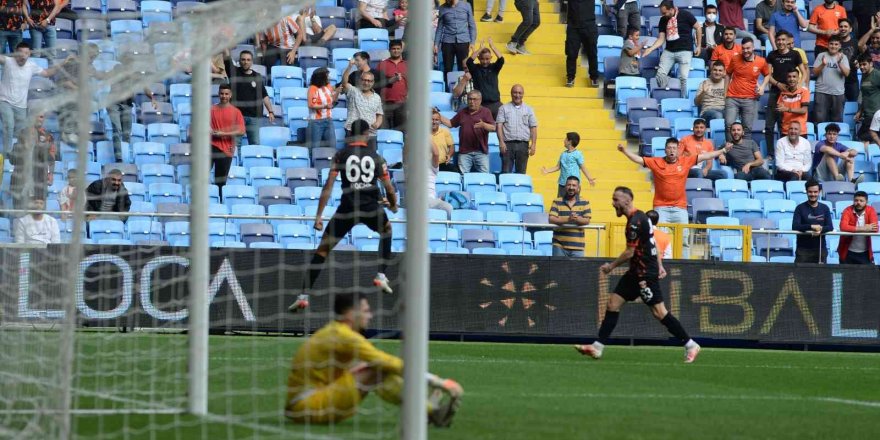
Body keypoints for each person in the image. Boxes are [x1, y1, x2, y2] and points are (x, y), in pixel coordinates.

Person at [284, 292, 463, 426]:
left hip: (306, 404)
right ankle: (430, 411)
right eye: (366, 311)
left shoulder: (335, 332)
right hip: (306, 406)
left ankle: (425, 411)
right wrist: (437, 381)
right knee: (377, 368)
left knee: (370, 367)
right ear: (350, 314)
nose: (370, 315)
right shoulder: (344, 336)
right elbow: (385, 362)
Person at [574, 186, 701, 363]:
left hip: (644, 274)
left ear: (627, 200)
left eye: (615, 200)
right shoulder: (642, 216)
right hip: (635, 273)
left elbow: (629, 252)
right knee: (612, 304)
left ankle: (690, 344)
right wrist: (660, 264)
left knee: (659, 312)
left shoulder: (634, 222)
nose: (613, 203)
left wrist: (610, 267)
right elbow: (652, 244)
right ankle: (597, 347)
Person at [288, 120, 398, 312]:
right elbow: (389, 188)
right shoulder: (376, 157)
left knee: (322, 251)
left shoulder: (340, 155)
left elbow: (328, 186)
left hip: (347, 208)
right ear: (366, 134)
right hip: (370, 207)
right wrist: (394, 205)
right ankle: (380, 275)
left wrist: (318, 216)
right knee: (387, 230)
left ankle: (303, 296)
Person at [618, 139, 732, 249]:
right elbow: (638, 159)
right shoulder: (656, 162)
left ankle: (685, 267)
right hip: (661, 207)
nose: (671, 150)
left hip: (680, 208)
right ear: (665, 150)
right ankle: (662, 266)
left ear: (678, 150)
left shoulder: (686, 161)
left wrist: (723, 151)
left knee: (684, 241)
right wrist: (624, 151)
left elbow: (706, 156)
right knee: (661, 240)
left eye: (674, 148)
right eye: (669, 148)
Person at [0, 42, 64, 154]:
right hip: (5, 101)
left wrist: (62, 64)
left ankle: (17, 158)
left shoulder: (31, 65)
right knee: (9, 125)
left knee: (20, 132)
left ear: (29, 54)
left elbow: (47, 73)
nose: (23, 55)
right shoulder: (8, 61)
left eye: (26, 53)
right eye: (20, 52)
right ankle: (6, 156)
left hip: (21, 106)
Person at [106, 54, 158, 162]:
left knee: (126, 133)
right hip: (114, 103)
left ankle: (125, 156)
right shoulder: (117, 69)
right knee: (117, 130)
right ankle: (119, 158)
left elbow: (145, 88)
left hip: (127, 105)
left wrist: (152, 98)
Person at [642, 0, 701, 96]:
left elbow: (698, 27)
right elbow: (661, 39)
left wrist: (698, 46)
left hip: (685, 50)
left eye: (664, 13)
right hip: (669, 50)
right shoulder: (663, 20)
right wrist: (650, 49)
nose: (663, 15)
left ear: (672, 9)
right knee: (660, 76)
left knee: (683, 78)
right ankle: (670, 92)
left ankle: (681, 101)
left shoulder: (686, 15)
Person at [764, 30, 806, 159]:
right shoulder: (772, 55)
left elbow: (804, 73)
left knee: (785, 124)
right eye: (778, 40)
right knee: (769, 125)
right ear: (775, 41)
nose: (781, 42)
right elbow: (767, 74)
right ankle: (771, 154)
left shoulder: (795, 54)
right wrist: (777, 84)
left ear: (788, 41)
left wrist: (799, 86)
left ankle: (786, 152)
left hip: (790, 93)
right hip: (775, 91)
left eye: (783, 40)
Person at [436, 90, 495, 173]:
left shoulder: (486, 112)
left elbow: (493, 128)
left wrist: (484, 125)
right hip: (465, 152)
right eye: (469, 99)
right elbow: (450, 123)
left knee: (484, 177)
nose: (471, 102)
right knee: (463, 177)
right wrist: (437, 114)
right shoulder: (462, 112)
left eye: (474, 99)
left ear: (480, 100)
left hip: (481, 152)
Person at [724, 37, 770, 142]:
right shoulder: (735, 59)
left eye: (748, 48)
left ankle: (744, 151)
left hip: (750, 98)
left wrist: (762, 86)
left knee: (747, 128)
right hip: (732, 97)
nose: (745, 51)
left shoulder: (761, 61)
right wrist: (725, 92)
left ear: (753, 47)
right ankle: (730, 150)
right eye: (743, 48)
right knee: (728, 125)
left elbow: (767, 75)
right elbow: (727, 74)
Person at [226, 50, 275, 146]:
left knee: (255, 144)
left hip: (254, 116)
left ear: (252, 61)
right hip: (237, 116)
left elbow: (264, 95)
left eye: (248, 60)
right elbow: (227, 58)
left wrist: (270, 111)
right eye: (243, 59)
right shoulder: (234, 72)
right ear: (239, 61)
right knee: (236, 145)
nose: (245, 62)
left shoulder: (257, 76)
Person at [9, 111, 56, 209]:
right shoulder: (18, 145)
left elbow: (51, 159)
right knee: (19, 213)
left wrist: (50, 174)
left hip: (39, 181)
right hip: (20, 182)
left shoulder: (48, 137)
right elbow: (12, 160)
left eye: (41, 117)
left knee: (37, 214)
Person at [210, 84, 246, 190]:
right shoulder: (211, 110)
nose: (224, 96)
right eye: (222, 93)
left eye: (226, 94)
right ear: (218, 94)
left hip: (226, 150)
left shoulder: (236, 112)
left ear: (230, 95)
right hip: (211, 146)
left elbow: (241, 131)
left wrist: (223, 134)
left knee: (220, 182)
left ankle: (219, 203)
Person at [496, 84, 538, 174]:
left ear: (523, 94)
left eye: (520, 93)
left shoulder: (529, 109)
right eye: (515, 92)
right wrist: (501, 142)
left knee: (521, 172)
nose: (517, 95)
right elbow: (499, 126)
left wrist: (533, 144)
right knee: (506, 172)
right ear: (511, 94)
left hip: (523, 145)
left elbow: (533, 127)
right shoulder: (503, 108)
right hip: (507, 145)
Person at [541, 131, 596, 197]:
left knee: (573, 202)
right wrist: (547, 170)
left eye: (566, 139)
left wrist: (589, 178)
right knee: (561, 202)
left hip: (573, 184)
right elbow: (558, 167)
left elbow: (582, 167)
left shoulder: (578, 154)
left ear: (570, 141)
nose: (564, 140)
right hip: (563, 184)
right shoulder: (563, 154)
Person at [548, 176, 591, 258]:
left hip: (578, 247)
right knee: (558, 271)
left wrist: (576, 219)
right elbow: (551, 219)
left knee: (577, 271)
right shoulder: (557, 201)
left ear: (578, 188)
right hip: (559, 246)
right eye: (569, 185)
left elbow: (587, 220)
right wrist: (568, 219)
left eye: (574, 185)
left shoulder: (585, 202)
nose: (571, 187)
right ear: (565, 187)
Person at [792, 180, 834, 263]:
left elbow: (830, 227)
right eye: (810, 192)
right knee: (800, 275)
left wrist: (820, 229)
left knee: (821, 275)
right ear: (806, 192)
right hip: (803, 250)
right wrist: (811, 227)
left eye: (815, 192)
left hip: (820, 249)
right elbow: (795, 226)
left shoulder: (825, 208)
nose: (813, 194)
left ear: (819, 192)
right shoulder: (800, 208)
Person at [341, 58, 383, 139]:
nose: (366, 83)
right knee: (351, 152)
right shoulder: (353, 91)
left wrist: (377, 124)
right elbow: (344, 83)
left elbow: (380, 115)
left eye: (369, 81)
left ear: (373, 82)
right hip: (352, 132)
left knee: (370, 152)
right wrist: (349, 66)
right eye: (364, 80)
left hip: (370, 134)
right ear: (360, 80)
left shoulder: (377, 97)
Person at [812, 36, 850, 124]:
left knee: (837, 120)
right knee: (819, 120)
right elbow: (814, 73)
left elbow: (846, 74)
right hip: (821, 92)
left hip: (838, 93)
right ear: (827, 45)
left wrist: (839, 63)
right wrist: (822, 64)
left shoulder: (843, 57)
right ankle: (819, 138)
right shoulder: (821, 55)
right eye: (831, 44)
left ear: (840, 46)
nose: (833, 46)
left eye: (836, 44)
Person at [434, 0, 477, 77]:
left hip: (463, 40)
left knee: (463, 68)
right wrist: (436, 44)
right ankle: (447, 87)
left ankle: (461, 88)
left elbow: (472, 25)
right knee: (447, 68)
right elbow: (439, 28)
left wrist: (472, 42)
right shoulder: (442, 8)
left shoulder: (466, 6)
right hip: (447, 41)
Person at [466, 38, 504, 118]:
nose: (485, 61)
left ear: (491, 58)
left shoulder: (494, 68)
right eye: (482, 59)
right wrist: (480, 49)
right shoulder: (475, 69)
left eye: (487, 59)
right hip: (481, 105)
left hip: (496, 104)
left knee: (501, 127)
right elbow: (469, 61)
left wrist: (492, 47)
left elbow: (501, 59)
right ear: (479, 58)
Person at [565, 0, 600, 87]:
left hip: (589, 25)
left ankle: (593, 77)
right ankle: (570, 77)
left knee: (592, 53)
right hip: (573, 26)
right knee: (571, 53)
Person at [837, 191, 878, 264]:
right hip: (847, 252)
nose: (858, 202)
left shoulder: (871, 210)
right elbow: (843, 227)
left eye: (861, 201)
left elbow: (875, 228)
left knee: (866, 275)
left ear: (866, 202)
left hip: (865, 252)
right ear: (853, 201)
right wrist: (864, 228)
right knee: (846, 275)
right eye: (856, 200)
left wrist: (851, 228)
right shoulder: (847, 210)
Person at [376, 39, 408, 131]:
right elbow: (377, 83)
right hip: (385, 104)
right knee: (384, 131)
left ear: (401, 50)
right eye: (393, 49)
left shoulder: (407, 65)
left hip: (402, 104)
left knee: (401, 131)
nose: (396, 51)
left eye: (398, 48)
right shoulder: (382, 64)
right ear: (389, 50)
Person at [429, 114, 455, 217]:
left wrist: (449, 155)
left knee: (455, 171)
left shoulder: (445, 131)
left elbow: (452, 146)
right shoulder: (422, 133)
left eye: (436, 120)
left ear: (440, 121)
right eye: (432, 119)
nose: (434, 122)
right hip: (428, 164)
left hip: (443, 163)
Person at [306, 67, 338, 150]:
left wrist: (337, 92)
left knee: (332, 146)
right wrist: (325, 106)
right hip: (316, 122)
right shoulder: (313, 88)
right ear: (321, 77)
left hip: (328, 120)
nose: (329, 77)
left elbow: (332, 100)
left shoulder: (328, 86)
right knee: (314, 148)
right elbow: (311, 105)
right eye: (327, 75)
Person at [776, 69, 810, 135]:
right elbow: (780, 108)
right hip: (786, 130)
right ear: (786, 79)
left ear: (798, 78)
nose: (791, 79)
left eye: (794, 77)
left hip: (800, 131)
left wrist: (788, 109)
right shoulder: (783, 93)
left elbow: (804, 110)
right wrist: (779, 108)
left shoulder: (804, 91)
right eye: (789, 77)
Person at [856, 53, 880, 142]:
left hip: (875, 114)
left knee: (864, 139)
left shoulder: (877, 75)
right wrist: (860, 111)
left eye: (864, 64)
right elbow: (865, 96)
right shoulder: (863, 75)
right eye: (860, 64)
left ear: (871, 64)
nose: (862, 67)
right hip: (867, 114)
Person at [837, 19, 860, 102]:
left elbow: (863, 57)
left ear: (850, 29)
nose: (843, 28)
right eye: (841, 26)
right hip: (837, 80)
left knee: (853, 107)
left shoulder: (856, 43)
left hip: (852, 81)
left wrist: (859, 63)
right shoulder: (834, 43)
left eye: (845, 26)